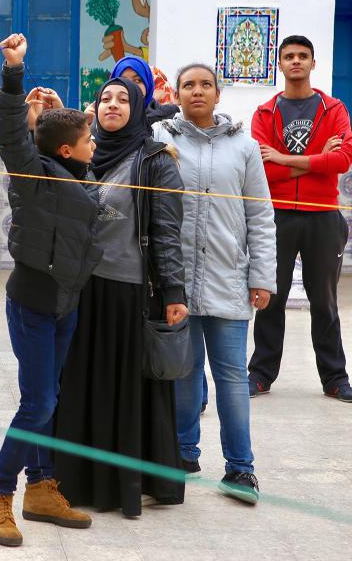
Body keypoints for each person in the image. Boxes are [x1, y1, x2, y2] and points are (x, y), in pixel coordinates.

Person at [0, 34, 98, 547]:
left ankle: (42, 487)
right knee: (36, 402)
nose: (95, 146)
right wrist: (14, 74)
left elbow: (93, 138)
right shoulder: (33, 174)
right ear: (68, 149)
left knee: (49, 400)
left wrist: (58, 112)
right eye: (86, 139)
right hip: (32, 299)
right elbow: (12, 134)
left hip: (65, 302)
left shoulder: (79, 170)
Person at [53, 78, 188, 517]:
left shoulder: (154, 159)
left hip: (128, 290)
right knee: (81, 384)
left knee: (123, 387)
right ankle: (78, 481)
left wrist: (173, 290)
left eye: (123, 99)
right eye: (105, 98)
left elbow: (167, 230)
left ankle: (123, 485)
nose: (113, 105)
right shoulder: (81, 153)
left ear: (140, 107)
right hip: (80, 288)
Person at [151, 63, 276, 505]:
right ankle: (184, 455)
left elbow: (260, 215)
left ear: (218, 94)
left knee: (231, 378)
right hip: (176, 283)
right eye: (189, 85)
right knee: (183, 376)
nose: (197, 91)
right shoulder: (162, 140)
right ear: (177, 94)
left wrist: (262, 275)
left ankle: (241, 469)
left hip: (229, 280)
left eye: (206, 85)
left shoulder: (244, 147)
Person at [248, 35, 352, 402]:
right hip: (275, 216)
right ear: (279, 64)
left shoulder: (333, 108)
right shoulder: (264, 112)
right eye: (289, 56)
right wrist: (312, 161)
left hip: (323, 215)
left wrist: (284, 158)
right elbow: (260, 169)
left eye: (302, 56)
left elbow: (341, 162)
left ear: (313, 63)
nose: (296, 61)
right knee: (269, 298)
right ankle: (260, 374)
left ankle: (335, 378)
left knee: (323, 300)